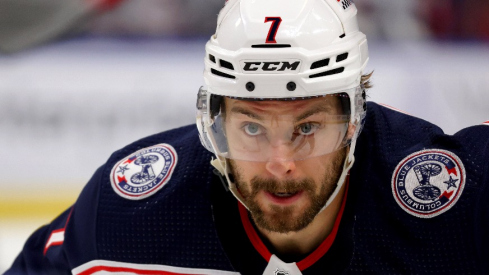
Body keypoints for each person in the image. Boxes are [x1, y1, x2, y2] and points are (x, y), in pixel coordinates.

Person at [5, 0, 489, 274]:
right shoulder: (128, 213)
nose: (280, 162)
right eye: (252, 127)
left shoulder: (459, 207)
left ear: (355, 117)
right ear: (215, 121)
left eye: (308, 128)